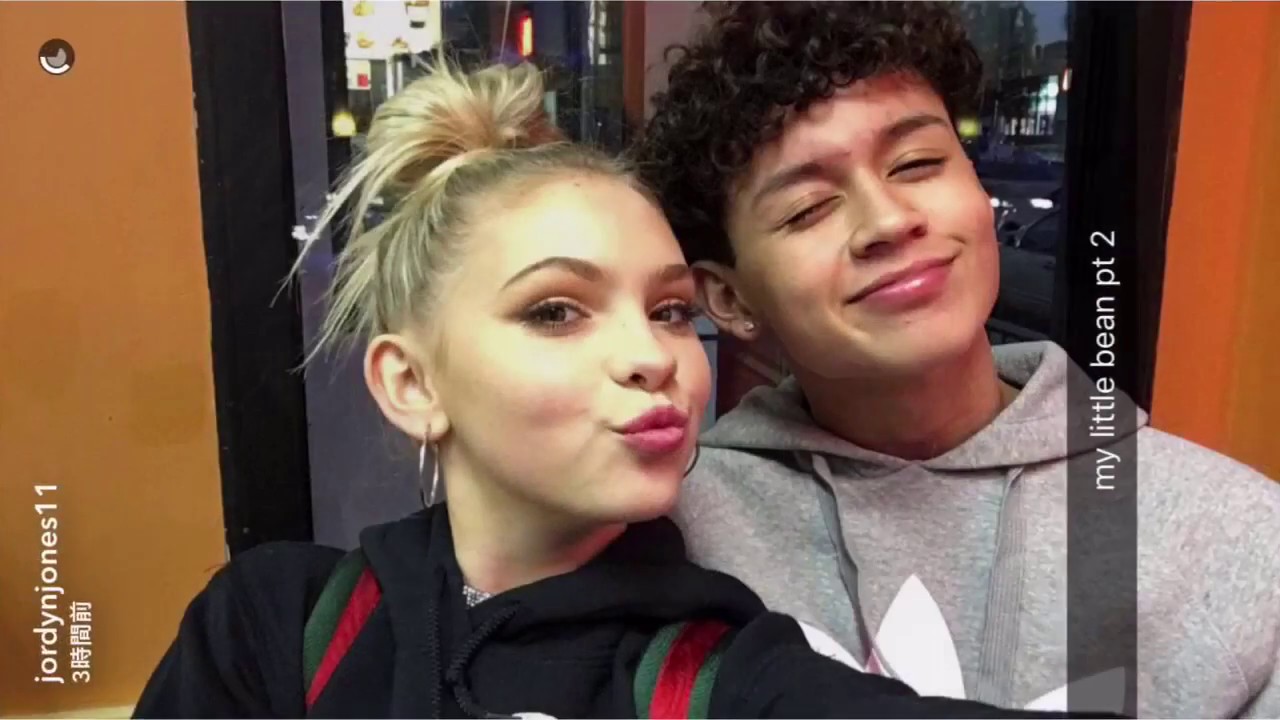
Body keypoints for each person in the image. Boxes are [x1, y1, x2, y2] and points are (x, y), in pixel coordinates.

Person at [131, 62, 1100, 720]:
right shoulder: (275, 627)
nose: (653, 357)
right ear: (411, 382)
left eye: (671, 311)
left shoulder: (723, 678)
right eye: (555, 311)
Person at [633, 2, 1280, 718]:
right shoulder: (667, 529)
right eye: (808, 208)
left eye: (918, 164)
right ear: (728, 297)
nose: (889, 221)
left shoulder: (1235, 536)